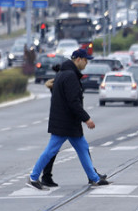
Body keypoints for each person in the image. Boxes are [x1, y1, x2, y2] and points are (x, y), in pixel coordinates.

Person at [28, 49, 110, 189]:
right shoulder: (70, 76)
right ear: (78, 59)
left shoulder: (64, 73)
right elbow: (73, 102)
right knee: (51, 151)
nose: (86, 63)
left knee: (82, 148)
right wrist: (87, 119)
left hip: (67, 122)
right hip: (65, 123)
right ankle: (33, 177)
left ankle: (94, 178)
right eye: (85, 60)